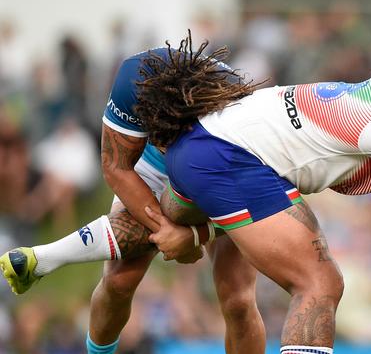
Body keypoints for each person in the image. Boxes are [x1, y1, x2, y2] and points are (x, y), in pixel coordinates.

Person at [121, 33, 371, 354]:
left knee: (223, 285)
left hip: (211, 145)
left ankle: (64, 253)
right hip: (230, 156)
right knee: (319, 284)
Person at [0, 45, 267, 354]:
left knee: (238, 299)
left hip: (221, 165)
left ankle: (46, 257)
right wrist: (168, 232)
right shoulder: (132, 80)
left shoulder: (244, 119)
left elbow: (256, 207)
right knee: (118, 282)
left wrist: (192, 235)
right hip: (150, 163)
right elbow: (115, 167)